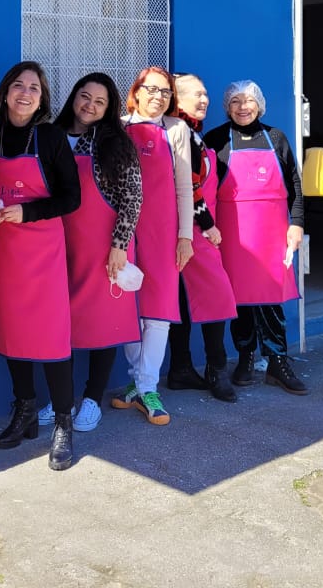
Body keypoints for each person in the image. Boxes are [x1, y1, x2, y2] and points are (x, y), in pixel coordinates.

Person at [0, 61, 81, 470]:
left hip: (42, 250)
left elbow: (70, 198)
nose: (26, 93)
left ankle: (63, 421)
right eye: (19, 86)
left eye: (35, 89)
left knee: (53, 337)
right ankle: (25, 409)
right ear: (6, 91)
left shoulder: (51, 137)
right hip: (0, 250)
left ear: (42, 99)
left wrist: (27, 213)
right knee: (10, 330)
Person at [39, 72, 142, 433]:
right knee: (57, 324)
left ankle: (92, 398)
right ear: (73, 96)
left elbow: (133, 199)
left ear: (109, 108)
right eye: (85, 96)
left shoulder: (115, 143)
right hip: (53, 242)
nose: (90, 106)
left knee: (103, 324)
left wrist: (120, 245)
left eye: (99, 102)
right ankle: (61, 398)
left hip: (102, 245)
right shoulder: (49, 134)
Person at [205, 81, 310, 395]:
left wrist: (298, 223)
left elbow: (294, 183)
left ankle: (278, 361)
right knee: (238, 299)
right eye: (235, 101)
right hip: (232, 233)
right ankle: (245, 357)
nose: (242, 107)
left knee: (270, 298)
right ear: (227, 106)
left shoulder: (276, 137)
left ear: (259, 105)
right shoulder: (215, 140)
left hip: (272, 232)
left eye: (248, 100)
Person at [113, 67, 194, 426]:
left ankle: (148, 386)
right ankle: (137, 382)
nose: (159, 96)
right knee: (129, 302)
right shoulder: (117, 125)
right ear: (137, 91)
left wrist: (186, 236)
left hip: (164, 229)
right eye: (152, 89)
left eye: (165, 91)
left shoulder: (176, 129)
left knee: (159, 309)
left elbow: (183, 188)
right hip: (123, 229)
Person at [165, 73, 238, 402]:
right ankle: (194, 368)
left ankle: (207, 366)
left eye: (206, 94)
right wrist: (207, 225)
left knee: (212, 295)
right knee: (179, 300)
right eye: (196, 94)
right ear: (176, 100)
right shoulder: (179, 137)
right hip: (184, 231)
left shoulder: (198, 138)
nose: (204, 99)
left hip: (197, 232)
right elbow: (190, 190)